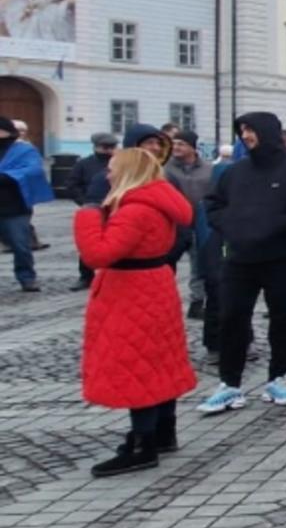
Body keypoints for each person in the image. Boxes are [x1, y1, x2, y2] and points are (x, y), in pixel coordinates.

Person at [74, 149, 198, 476]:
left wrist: (87, 214)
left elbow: (98, 254)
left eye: (112, 169)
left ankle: (143, 444)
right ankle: (163, 431)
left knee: (136, 364)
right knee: (159, 360)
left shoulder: (136, 210)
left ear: (128, 171)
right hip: (154, 285)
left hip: (131, 291)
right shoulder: (158, 201)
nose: (107, 175)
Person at [203, 113, 286, 412]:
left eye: (250, 129)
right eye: (241, 130)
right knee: (231, 318)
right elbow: (213, 204)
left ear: (267, 131)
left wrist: (276, 225)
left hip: (283, 258)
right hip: (239, 259)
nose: (245, 135)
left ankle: (277, 378)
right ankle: (230, 384)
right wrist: (230, 225)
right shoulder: (234, 171)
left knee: (283, 318)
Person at [165, 131, 214, 319]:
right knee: (168, 265)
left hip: (200, 223)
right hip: (174, 224)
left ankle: (197, 302)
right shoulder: (165, 168)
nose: (176, 147)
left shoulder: (207, 169)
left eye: (181, 144)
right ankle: (166, 301)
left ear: (193, 147)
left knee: (199, 264)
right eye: (174, 144)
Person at [0, 117, 49, 292]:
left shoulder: (23, 150)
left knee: (20, 245)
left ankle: (27, 277)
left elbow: (33, 169)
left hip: (15, 207)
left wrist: (6, 176)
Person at [66, 132, 117, 290]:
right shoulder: (84, 164)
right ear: (96, 147)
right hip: (94, 208)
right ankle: (86, 276)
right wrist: (85, 202)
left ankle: (114, 275)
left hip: (116, 207)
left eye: (112, 147)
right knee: (89, 243)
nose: (109, 150)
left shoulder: (119, 163)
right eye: (105, 147)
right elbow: (73, 185)